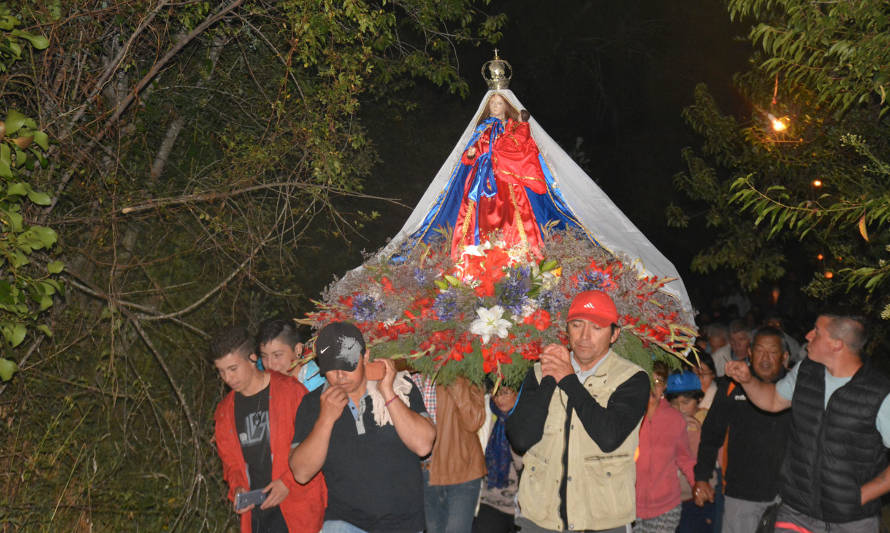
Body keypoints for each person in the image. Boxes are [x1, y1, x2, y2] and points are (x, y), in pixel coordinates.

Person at [725, 314, 890, 532]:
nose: (808, 335)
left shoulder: (878, 392)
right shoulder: (806, 372)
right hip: (796, 512)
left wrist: (862, 495)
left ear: (836, 344)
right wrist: (748, 381)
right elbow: (773, 400)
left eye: (817, 331)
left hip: (851, 521)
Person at [506, 290, 650, 532]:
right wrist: (552, 376)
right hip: (540, 517)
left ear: (614, 334)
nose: (584, 336)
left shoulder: (632, 379)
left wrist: (569, 380)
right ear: (567, 330)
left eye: (597, 328)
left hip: (602, 520)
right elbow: (521, 439)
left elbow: (608, 436)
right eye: (577, 325)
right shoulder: (541, 372)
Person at [289, 321, 436, 533]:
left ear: (365, 357)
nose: (340, 376)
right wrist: (326, 420)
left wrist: (388, 393)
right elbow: (301, 473)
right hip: (344, 522)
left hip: (404, 523)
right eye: (331, 368)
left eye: (347, 365)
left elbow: (423, 446)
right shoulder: (313, 404)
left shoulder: (400, 387)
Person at [407, 93, 583, 260]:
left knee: (512, 215)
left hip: (507, 180)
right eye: (492, 103)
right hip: (482, 179)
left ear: (506, 106)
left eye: (499, 103)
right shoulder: (482, 129)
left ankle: (517, 254)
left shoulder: (512, 127)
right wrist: (471, 154)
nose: (495, 106)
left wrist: (522, 124)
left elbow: (523, 144)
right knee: (480, 217)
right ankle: (476, 254)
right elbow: (468, 158)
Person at [210, 326, 326, 533]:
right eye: (221, 371)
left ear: (253, 359)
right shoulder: (224, 411)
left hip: (299, 508)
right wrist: (237, 489)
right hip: (257, 515)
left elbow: (315, 446)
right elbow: (231, 463)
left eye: (233, 368)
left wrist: (287, 483)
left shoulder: (291, 392)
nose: (227, 378)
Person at [692, 326, 791, 533]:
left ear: (785, 356)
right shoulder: (731, 387)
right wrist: (702, 477)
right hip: (741, 494)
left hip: (790, 498)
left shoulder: (797, 389)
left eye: (772, 352)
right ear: (749, 353)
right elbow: (711, 435)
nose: (765, 358)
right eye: (759, 350)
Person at [412, 373, 487, 533]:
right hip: (424, 473)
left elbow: (474, 421)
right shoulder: (409, 375)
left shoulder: (465, 370)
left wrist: (455, 379)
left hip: (461, 471)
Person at [634, 368, 697, 532]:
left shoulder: (674, 418)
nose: (653, 387)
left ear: (665, 386)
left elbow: (685, 458)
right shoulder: (627, 413)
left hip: (666, 506)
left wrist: (697, 483)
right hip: (629, 505)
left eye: (658, 382)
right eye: (648, 381)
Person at [665, 371, 714, 533]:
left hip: (696, 500)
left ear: (699, 399)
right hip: (669, 502)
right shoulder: (663, 423)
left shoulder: (706, 422)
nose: (680, 408)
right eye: (674, 403)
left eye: (686, 402)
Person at [473, 385, 522, 533]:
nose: (499, 399)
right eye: (495, 393)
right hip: (489, 501)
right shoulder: (486, 413)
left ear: (517, 391)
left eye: (505, 393)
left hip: (524, 506)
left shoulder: (529, 414)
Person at [257, 318, 326, 391]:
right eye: (264, 356)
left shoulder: (317, 387)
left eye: (277, 355)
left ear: (297, 350)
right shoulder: (260, 368)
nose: (270, 365)